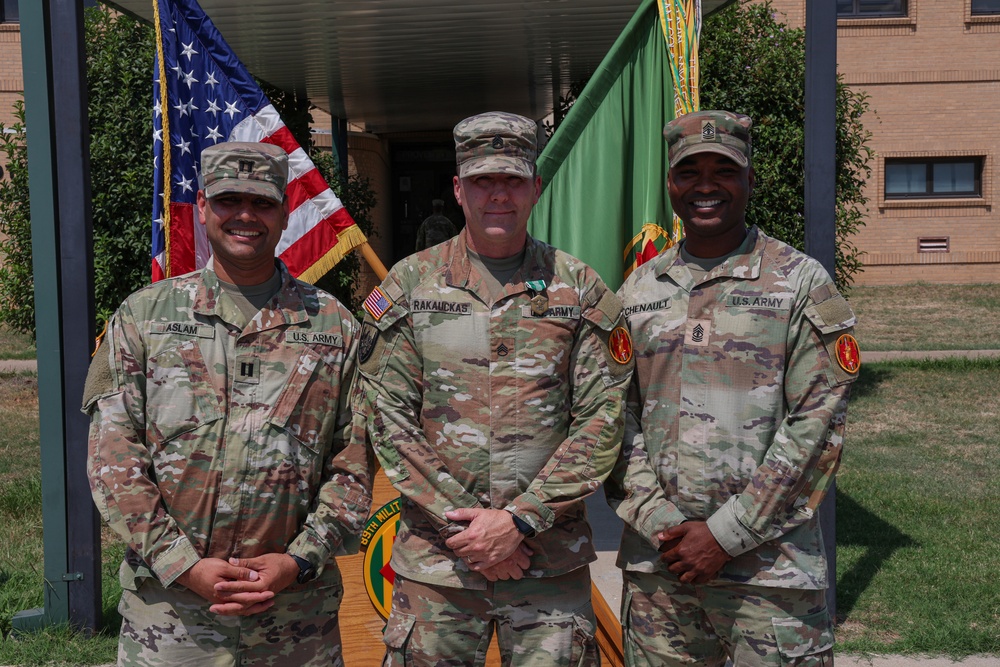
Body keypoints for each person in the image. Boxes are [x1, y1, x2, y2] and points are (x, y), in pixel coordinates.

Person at [353, 111, 635, 666]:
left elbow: (604, 418)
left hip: (548, 564)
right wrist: (472, 532)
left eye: (512, 180)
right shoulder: (410, 285)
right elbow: (386, 416)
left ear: (535, 187)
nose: (498, 195)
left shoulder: (578, 288)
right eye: (483, 181)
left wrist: (520, 520)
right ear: (459, 189)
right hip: (440, 567)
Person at [83, 141, 373, 666]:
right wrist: (184, 566)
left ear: (285, 212)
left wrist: (297, 562)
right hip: (171, 618)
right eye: (229, 199)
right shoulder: (142, 317)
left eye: (262, 202)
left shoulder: (334, 326)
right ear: (202, 207)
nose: (245, 215)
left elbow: (353, 466)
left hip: (295, 619)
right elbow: (114, 462)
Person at [607, 110, 860, 666]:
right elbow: (611, 418)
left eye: (723, 170)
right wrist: (662, 524)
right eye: (688, 171)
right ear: (669, 183)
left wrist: (725, 534)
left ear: (749, 179)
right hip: (661, 571)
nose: (704, 186)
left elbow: (817, 425)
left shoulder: (798, 282)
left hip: (771, 578)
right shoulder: (639, 289)